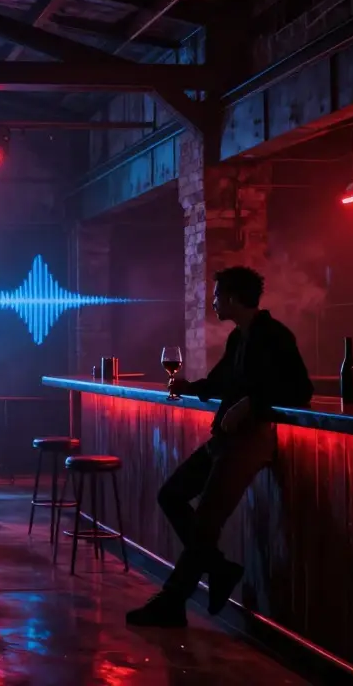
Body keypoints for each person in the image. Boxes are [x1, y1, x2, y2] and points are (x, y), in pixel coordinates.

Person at [127, 266, 312, 627]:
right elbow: (218, 384)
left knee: (205, 524)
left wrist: (251, 404)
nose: (212, 302)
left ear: (230, 298)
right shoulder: (237, 339)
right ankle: (219, 568)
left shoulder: (274, 336)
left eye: (215, 296)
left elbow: (301, 390)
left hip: (250, 442)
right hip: (224, 439)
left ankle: (172, 601)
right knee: (171, 495)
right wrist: (187, 387)